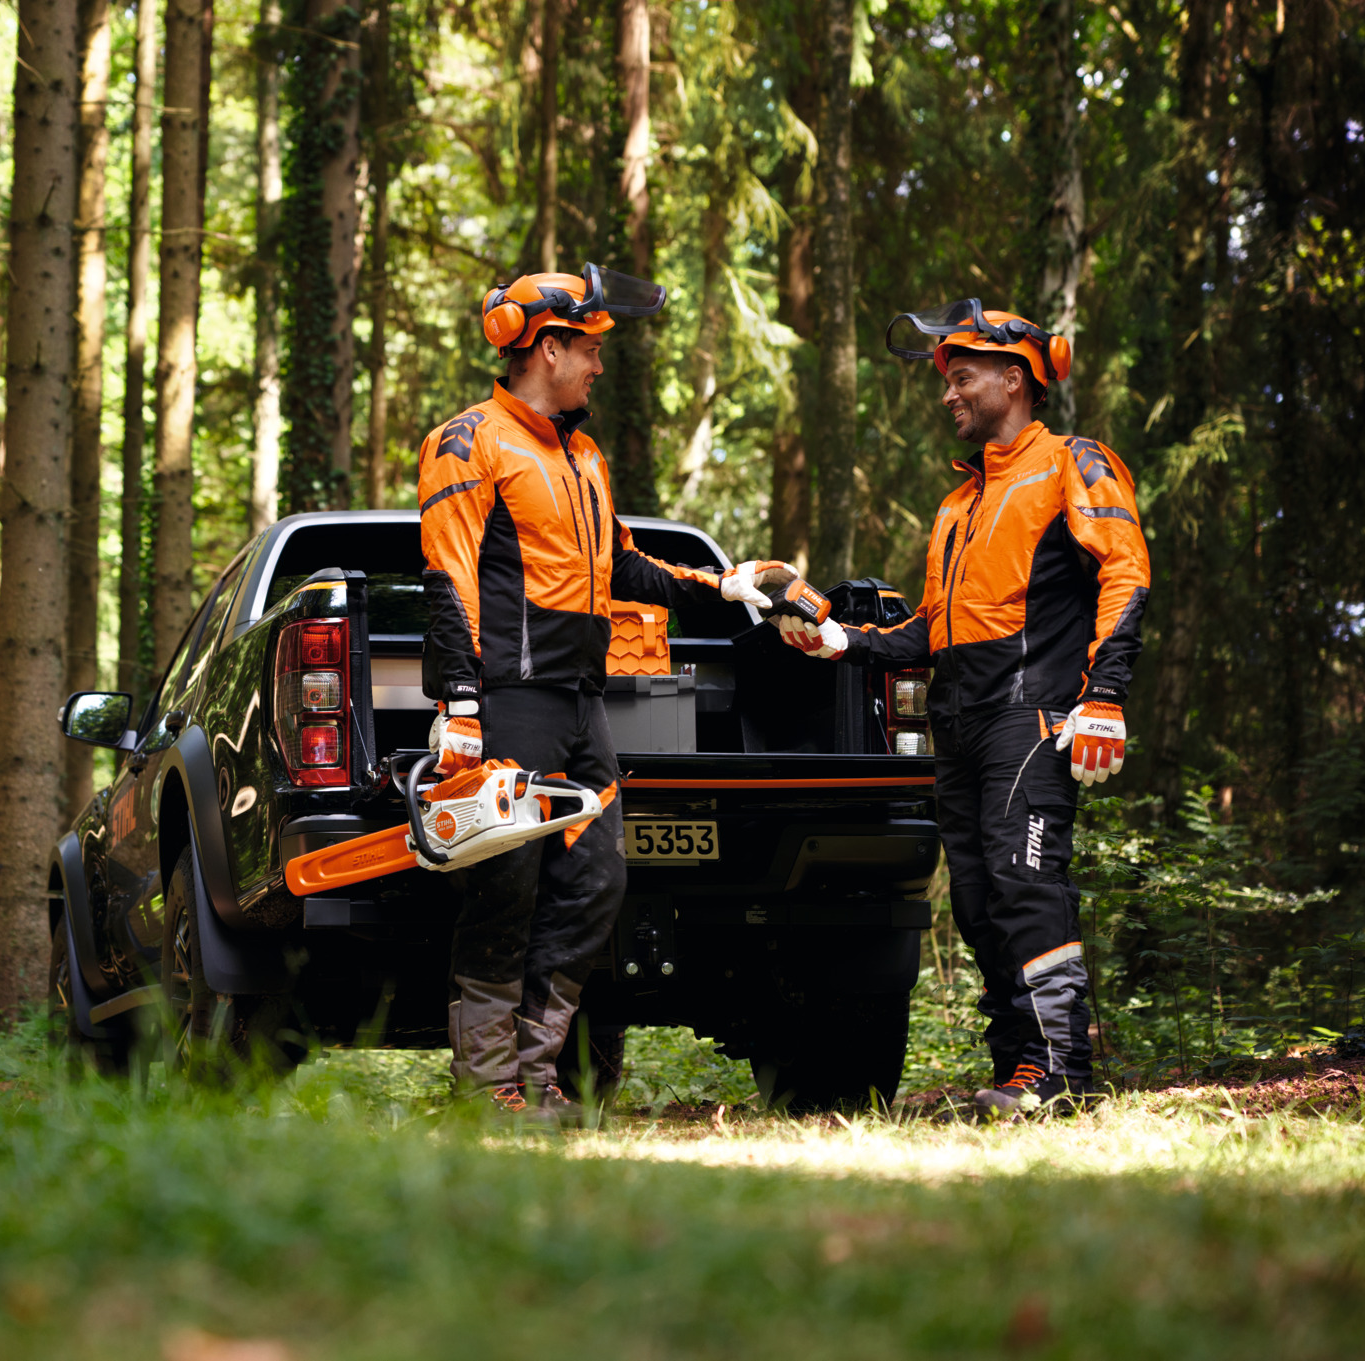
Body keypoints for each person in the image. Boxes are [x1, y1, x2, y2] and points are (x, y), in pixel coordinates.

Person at [417, 264, 787, 1123]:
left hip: (582, 703)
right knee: (504, 889)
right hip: (509, 700)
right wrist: (460, 704)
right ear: (547, 348)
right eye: (587, 348)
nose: (597, 365)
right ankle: (487, 1086)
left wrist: (719, 587)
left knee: (596, 885)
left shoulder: (583, 455)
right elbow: (449, 575)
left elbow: (620, 563)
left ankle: (537, 1077)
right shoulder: (470, 441)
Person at [774, 300, 1150, 1118]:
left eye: (963, 376)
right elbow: (931, 629)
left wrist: (1107, 695)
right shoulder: (960, 502)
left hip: (1035, 714)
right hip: (962, 721)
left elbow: (1125, 571)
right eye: (946, 379)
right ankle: (1019, 1066)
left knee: (1025, 882)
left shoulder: (1071, 465)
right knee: (979, 903)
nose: (948, 393)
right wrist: (843, 641)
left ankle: (1060, 1071)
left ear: (1013, 379)